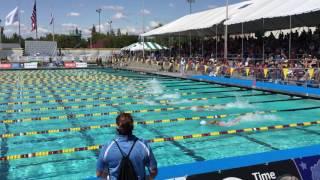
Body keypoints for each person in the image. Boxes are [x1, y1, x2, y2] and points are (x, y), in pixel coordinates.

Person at [97, 113, 158, 180]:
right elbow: (153, 171)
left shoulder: (107, 147)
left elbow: (99, 173)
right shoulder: (143, 145)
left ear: (117, 127)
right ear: (132, 126)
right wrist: (148, 178)